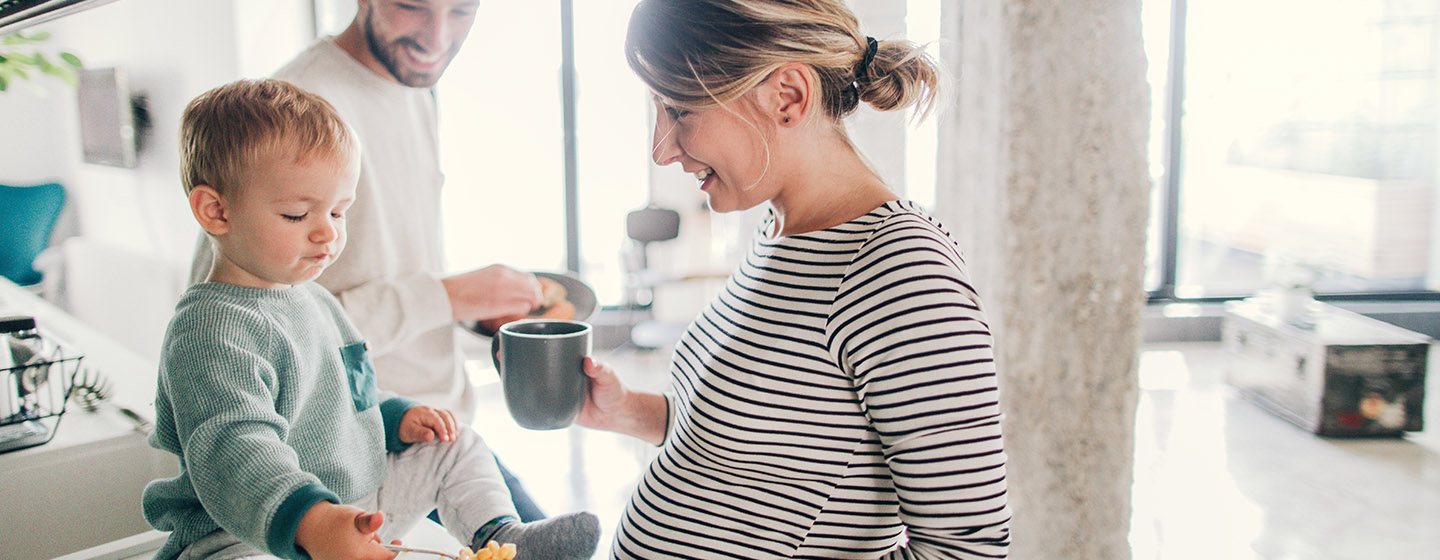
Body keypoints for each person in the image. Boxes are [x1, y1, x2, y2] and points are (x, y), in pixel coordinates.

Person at [576, 1, 1013, 558]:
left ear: (788, 96)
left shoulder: (901, 270)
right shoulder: (778, 230)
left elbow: (965, 550)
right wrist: (630, 410)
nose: (662, 149)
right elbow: (765, 456)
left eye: (680, 110)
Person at [146, 79, 599, 560]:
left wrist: (394, 417)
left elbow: (349, 395)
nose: (327, 233)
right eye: (298, 215)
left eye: (339, 212)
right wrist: (314, 524)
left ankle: (505, 539)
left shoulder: (314, 300)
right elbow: (235, 453)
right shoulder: (210, 330)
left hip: (356, 505)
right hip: (248, 534)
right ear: (215, 211)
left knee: (457, 444)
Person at [188, 0, 546, 520]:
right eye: (411, 6)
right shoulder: (302, 108)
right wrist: (447, 296)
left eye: (462, 10)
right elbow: (245, 319)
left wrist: (470, 312)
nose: (437, 38)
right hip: (347, 457)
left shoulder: (412, 84)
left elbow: (384, 261)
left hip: (424, 423)